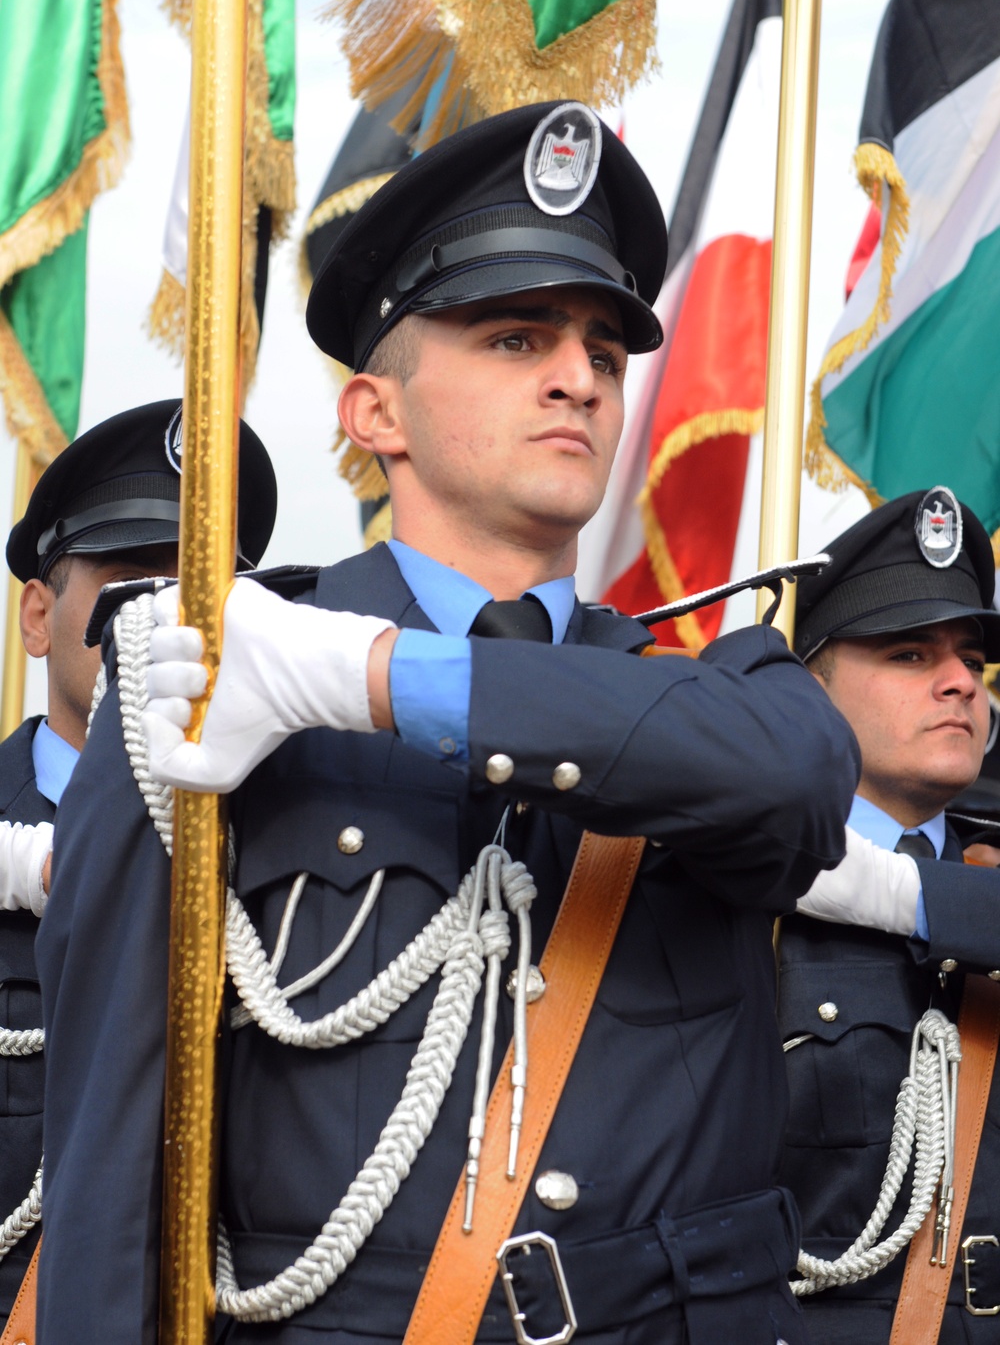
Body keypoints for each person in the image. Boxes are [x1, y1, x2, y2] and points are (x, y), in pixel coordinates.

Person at [37, 103, 858, 1345]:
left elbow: (798, 777)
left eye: (602, 347)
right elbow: (109, 1147)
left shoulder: (718, 684)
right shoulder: (212, 680)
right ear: (374, 413)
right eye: (515, 334)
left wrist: (375, 678)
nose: (578, 373)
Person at [0, 399, 277, 1325]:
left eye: (199, 586)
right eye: (129, 583)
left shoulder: (294, 839)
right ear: (39, 616)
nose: (168, 617)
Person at [778, 488, 1000, 1343]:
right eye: (910, 655)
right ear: (810, 689)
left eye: (972, 662)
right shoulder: (738, 892)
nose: (959, 683)